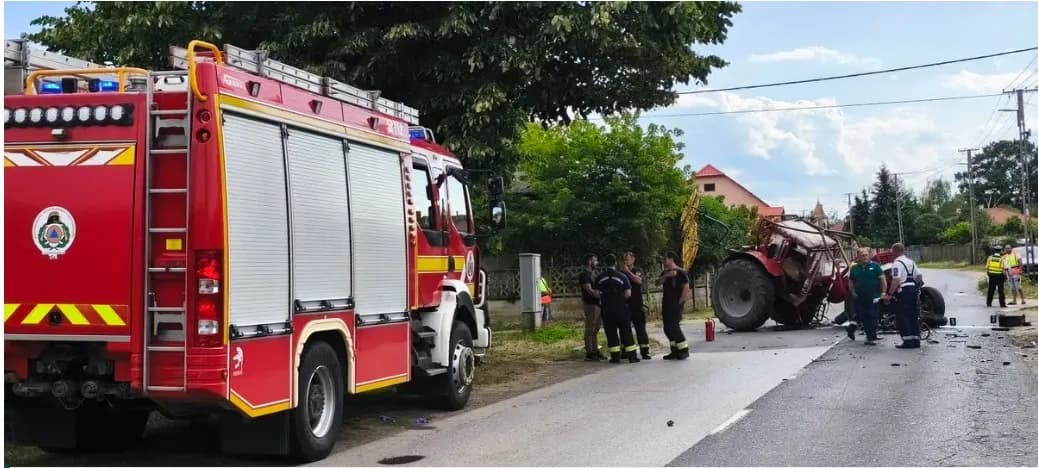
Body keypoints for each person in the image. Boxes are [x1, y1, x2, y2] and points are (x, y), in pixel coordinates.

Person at [595, 254, 639, 363]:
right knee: (626, 331)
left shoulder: (600, 277)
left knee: (611, 332)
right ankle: (632, 356)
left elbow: (596, 294)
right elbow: (628, 293)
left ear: (606, 263)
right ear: (615, 263)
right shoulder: (622, 276)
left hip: (607, 309)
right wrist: (620, 300)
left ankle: (615, 357)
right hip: (621, 308)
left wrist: (605, 298)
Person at [848, 248, 888, 345]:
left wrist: (883, 293)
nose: (864, 257)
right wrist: (852, 292)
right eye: (862, 255)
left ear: (869, 255)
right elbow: (851, 281)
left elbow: (883, 280)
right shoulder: (854, 268)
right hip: (860, 297)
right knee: (862, 315)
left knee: (872, 316)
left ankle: (870, 337)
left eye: (866, 255)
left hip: (874, 297)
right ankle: (852, 329)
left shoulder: (875, 266)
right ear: (858, 257)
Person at [886, 243, 921, 349]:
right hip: (913, 289)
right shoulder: (911, 262)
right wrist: (917, 286)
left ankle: (907, 341)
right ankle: (916, 340)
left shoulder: (897, 263)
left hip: (904, 290)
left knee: (902, 316)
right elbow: (919, 275)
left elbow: (896, 280)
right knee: (913, 315)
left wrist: (890, 294)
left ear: (895, 251)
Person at [659, 251, 691, 360]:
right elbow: (657, 282)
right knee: (667, 328)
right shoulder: (665, 272)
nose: (664, 261)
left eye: (665, 259)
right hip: (666, 303)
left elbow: (686, 288)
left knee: (674, 327)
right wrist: (667, 275)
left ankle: (684, 350)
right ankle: (674, 350)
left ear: (671, 259)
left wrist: (680, 303)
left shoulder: (681, 272)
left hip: (675, 303)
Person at [622, 251, 652, 359]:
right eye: (625, 259)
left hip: (637, 304)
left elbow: (639, 281)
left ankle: (645, 351)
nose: (626, 261)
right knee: (625, 329)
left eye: (628, 259)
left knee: (640, 328)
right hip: (625, 305)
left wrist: (628, 273)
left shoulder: (637, 270)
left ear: (633, 259)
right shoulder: (621, 272)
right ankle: (626, 351)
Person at [578, 254, 605, 361]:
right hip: (590, 305)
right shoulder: (584, 275)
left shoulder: (595, 273)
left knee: (596, 329)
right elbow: (590, 290)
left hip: (598, 304)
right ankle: (589, 352)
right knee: (590, 328)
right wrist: (600, 294)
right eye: (595, 260)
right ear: (590, 261)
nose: (597, 262)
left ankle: (595, 350)